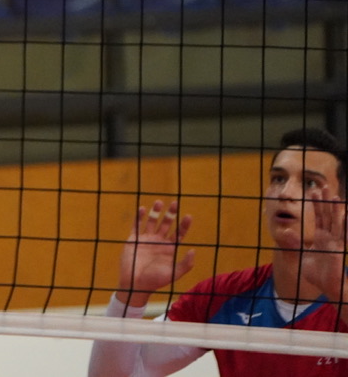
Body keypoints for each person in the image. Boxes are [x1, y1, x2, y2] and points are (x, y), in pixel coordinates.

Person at [89, 127, 348, 377]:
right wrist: (131, 293)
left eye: (310, 182)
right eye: (278, 179)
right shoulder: (223, 297)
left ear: (343, 210)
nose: (286, 193)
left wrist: (337, 290)